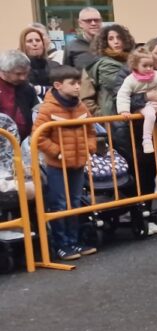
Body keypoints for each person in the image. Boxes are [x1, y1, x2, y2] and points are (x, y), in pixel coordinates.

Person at [35, 66, 97, 260]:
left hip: (78, 163)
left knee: (76, 202)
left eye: (79, 83)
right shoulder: (48, 108)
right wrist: (58, 152)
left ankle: (75, 241)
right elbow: (38, 136)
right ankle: (62, 244)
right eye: (73, 83)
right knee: (61, 204)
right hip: (57, 166)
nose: (78, 87)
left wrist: (90, 147)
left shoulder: (80, 106)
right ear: (58, 85)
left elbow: (91, 130)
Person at [0, 51, 38, 142]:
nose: (23, 78)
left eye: (26, 73)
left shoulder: (27, 87)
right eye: (18, 74)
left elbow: (36, 109)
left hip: (24, 143)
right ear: (4, 71)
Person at [19, 26, 54, 99]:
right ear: (23, 45)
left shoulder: (54, 65)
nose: (35, 44)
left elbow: (63, 89)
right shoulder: (17, 68)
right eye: (29, 41)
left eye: (38, 40)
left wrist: (41, 89)